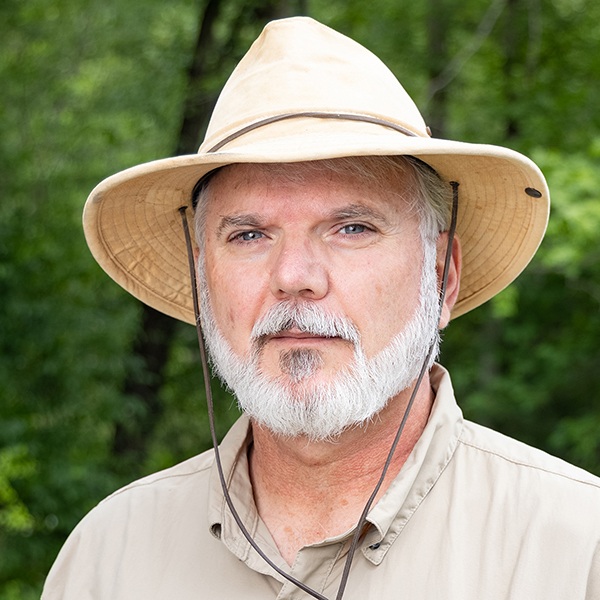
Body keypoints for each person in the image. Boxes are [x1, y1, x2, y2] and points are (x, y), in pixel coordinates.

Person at [42, 16, 599, 600]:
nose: (294, 278)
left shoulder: (577, 549)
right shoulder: (108, 558)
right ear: (202, 280)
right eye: (250, 235)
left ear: (442, 277)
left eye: (351, 228)